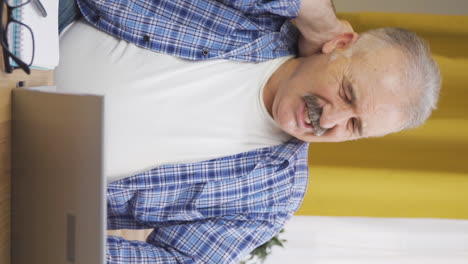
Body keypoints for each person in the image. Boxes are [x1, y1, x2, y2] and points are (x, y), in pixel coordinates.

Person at [55, 0, 441, 263]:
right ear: (339, 45)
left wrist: (59, 246)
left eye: (354, 126)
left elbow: (179, 261)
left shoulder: (271, 199)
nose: (330, 119)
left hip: (24, 174)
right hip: (37, 30)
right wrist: (321, 19)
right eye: (346, 93)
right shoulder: (262, 17)